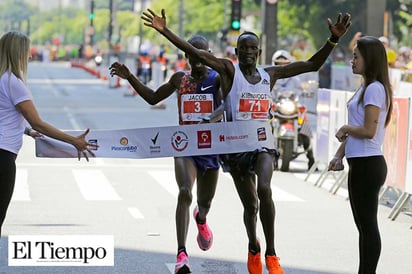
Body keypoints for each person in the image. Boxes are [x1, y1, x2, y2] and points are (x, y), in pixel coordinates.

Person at [141, 8, 351, 274]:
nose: (249, 52)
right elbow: (197, 54)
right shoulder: (229, 72)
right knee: (250, 206)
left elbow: (312, 64)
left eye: (253, 48)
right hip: (236, 149)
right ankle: (254, 245)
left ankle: (272, 254)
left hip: (262, 144)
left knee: (265, 189)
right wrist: (165, 31)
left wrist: (332, 40)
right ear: (237, 53)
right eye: (244, 48)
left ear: (259, 53)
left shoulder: (270, 75)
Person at [109, 35, 222, 274]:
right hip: (185, 146)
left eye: (203, 54)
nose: (199, 59)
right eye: (193, 54)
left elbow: (228, 106)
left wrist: (212, 118)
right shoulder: (180, 79)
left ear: (210, 54)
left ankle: (200, 219)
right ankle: (182, 254)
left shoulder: (218, 79)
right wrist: (130, 77)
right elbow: (153, 97)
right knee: (183, 192)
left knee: (205, 203)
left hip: (210, 148)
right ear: (186, 56)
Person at [0, 31, 97, 238]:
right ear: (17, 54)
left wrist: (26, 130)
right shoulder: (13, 83)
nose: (30, 57)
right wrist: (74, 141)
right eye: (26, 52)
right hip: (3, 157)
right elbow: (39, 122)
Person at [328, 36, 393, 274]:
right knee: (363, 227)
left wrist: (345, 128)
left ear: (370, 59)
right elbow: (358, 125)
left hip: (369, 164)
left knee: (368, 226)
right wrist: (339, 154)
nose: (351, 60)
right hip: (360, 163)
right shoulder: (366, 87)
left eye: (356, 56)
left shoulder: (375, 89)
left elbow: (368, 130)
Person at [271, 50, 316, 171]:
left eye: (284, 64)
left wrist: (307, 91)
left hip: (292, 107)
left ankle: (311, 158)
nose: (281, 66)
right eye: (278, 64)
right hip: (276, 107)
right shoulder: (270, 77)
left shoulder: (294, 78)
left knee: (304, 124)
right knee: (264, 125)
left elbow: (302, 89)